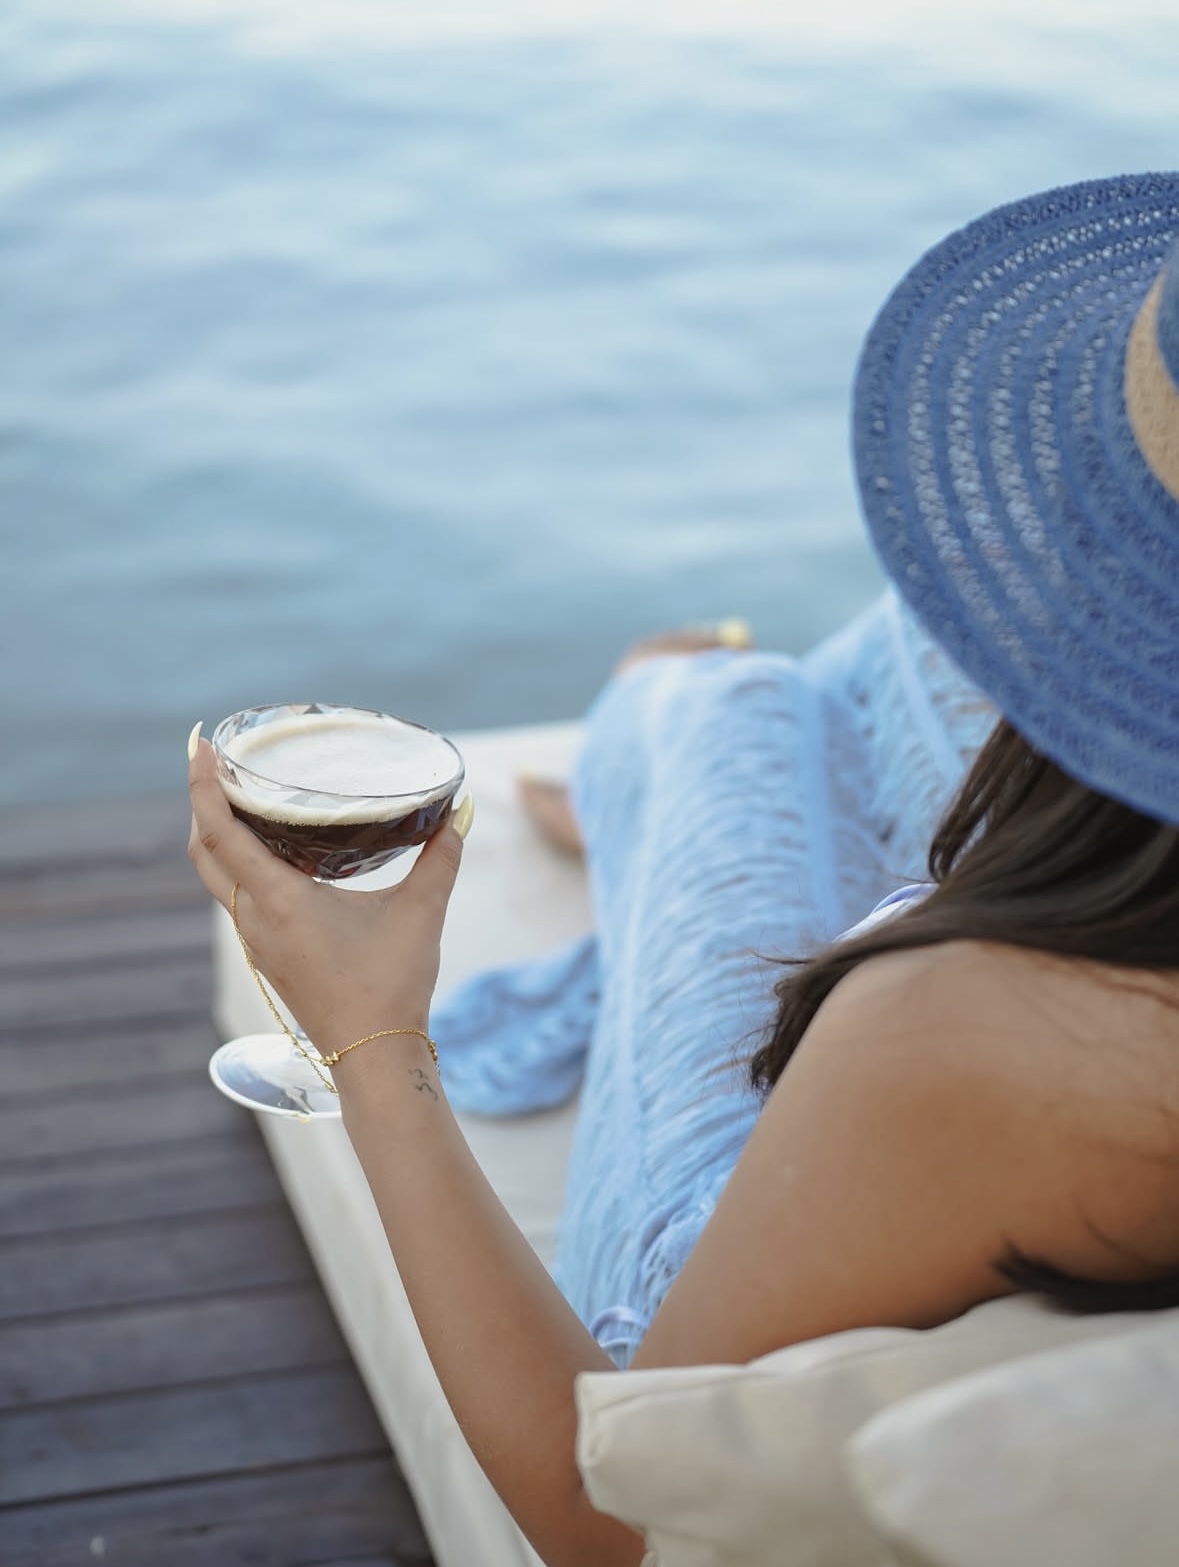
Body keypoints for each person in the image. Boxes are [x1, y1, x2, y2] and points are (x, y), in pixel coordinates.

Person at [187, 172, 1179, 1567]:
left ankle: (657, 761)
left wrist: (370, 1034)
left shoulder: (978, 1040)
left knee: (724, 709)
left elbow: (617, 1509)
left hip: (703, 1274)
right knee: (908, 650)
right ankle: (666, 768)